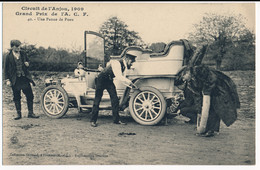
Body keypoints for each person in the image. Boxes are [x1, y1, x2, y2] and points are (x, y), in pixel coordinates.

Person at [178, 65, 240, 137]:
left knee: (216, 107)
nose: (183, 80)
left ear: (187, 73)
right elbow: (197, 96)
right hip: (209, 92)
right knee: (209, 108)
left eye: (183, 77)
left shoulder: (199, 70)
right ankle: (207, 129)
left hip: (220, 88)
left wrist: (206, 91)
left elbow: (212, 78)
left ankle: (211, 130)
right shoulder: (191, 83)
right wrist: (199, 110)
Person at [90, 51, 137, 127]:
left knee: (115, 99)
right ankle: (93, 120)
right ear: (127, 59)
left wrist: (130, 85)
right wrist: (129, 82)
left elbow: (122, 78)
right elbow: (119, 77)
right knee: (97, 100)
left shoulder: (124, 66)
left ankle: (116, 120)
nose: (132, 64)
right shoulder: (116, 63)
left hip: (109, 80)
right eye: (131, 61)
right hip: (101, 79)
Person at [4, 40, 39, 120]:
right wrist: (7, 80)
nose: (19, 48)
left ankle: (31, 113)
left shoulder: (23, 53)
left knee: (30, 95)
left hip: (24, 78)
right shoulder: (7, 56)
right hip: (15, 79)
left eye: (19, 46)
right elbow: (5, 69)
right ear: (12, 47)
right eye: (17, 46)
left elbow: (28, 62)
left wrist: (27, 64)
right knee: (16, 96)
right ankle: (18, 114)